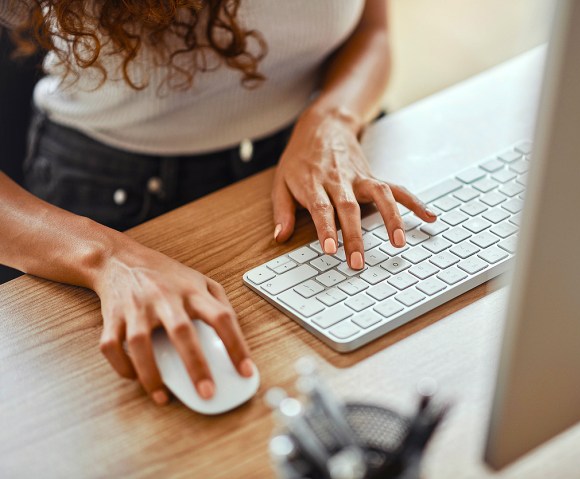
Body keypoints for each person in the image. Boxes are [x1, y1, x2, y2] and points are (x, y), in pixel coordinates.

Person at [0, 0, 437, 406]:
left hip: (313, 152)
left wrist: (334, 118)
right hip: (110, 200)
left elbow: (372, 27)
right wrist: (107, 258)